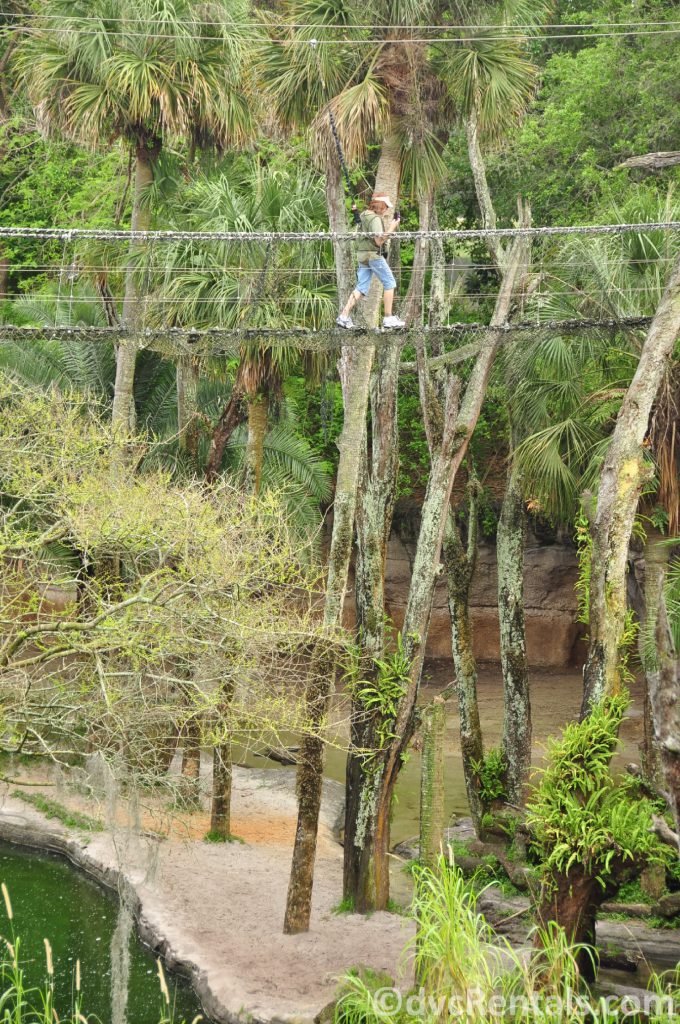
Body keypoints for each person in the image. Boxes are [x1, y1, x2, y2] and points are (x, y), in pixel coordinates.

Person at [336, 194, 406, 329]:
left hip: (362, 256)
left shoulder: (363, 215)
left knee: (361, 287)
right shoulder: (375, 219)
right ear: (380, 206)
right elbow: (378, 241)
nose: (386, 209)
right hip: (373, 255)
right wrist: (392, 227)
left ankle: (343, 316)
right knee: (390, 283)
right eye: (385, 206)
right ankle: (388, 317)